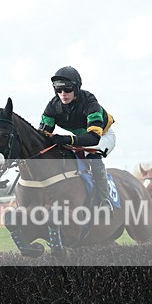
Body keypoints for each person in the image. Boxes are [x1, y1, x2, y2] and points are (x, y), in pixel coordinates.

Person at [40, 66, 116, 210]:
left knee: (91, 154)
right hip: (81, 137)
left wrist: (68, 139)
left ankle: (104, 199)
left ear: (77, 88)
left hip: (103, 135)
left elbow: (94, 138)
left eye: (67, 89)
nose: (63, 94)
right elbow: (43, 135)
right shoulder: (52, 106)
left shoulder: (90, 101)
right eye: (58, 90)